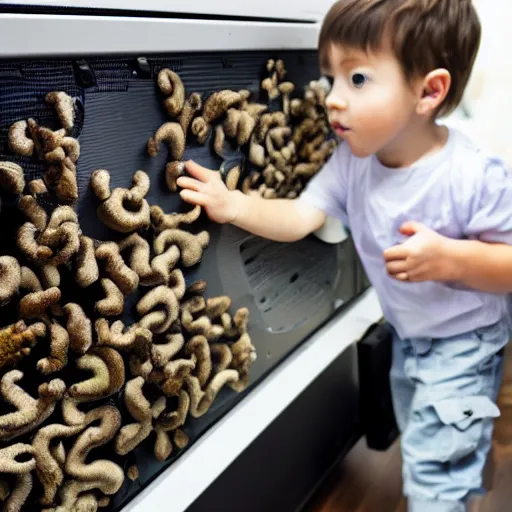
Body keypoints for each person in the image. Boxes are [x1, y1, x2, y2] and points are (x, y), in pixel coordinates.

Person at [177, 1, 512, 510]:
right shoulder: (353, 164)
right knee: (428, 433)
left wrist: (452, 260)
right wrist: (235, 204)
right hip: (411, 335)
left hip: (466, 342)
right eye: (331, 78)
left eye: (356, 79)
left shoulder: (472, 175)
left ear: (429, 91)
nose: (332, 99)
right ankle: (464, 464)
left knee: (433, 474)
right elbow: (300, 218)